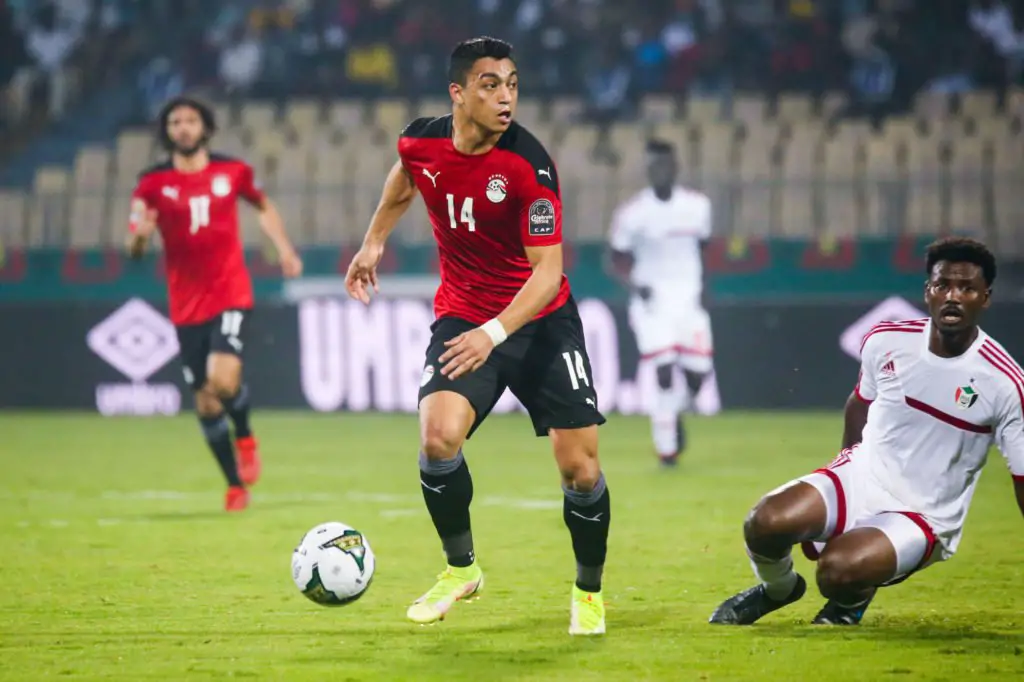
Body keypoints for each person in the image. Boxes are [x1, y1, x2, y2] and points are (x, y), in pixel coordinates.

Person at [344, 37, 610, 635]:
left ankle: (588, 592)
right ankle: (460, 569)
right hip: (464, 317)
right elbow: (406, 177)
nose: (506, 97)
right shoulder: (420, 141)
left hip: (540, 324)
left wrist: (495, 333)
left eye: (513, 84)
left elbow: (547, 274)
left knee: (580, 470)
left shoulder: (529, 167)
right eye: (491, 85)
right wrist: (374, 241)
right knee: (437, 439)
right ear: (458, 94)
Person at [709, 237, 1024, 626]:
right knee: (765, 521)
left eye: (967, 288)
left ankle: (849, 601)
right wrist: (843, 469)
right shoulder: (887, 340)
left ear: (985, 297)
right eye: (943, 285)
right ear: (928, 290)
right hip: (861, 475)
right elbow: (859, 404)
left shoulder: (1004, 384)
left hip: (922, 513)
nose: (953, 297)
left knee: (837, 570)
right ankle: (778, 589)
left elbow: (1021, 479)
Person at [126, 96, 303, 512]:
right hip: (186, 305)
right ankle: (234, 485)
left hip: (229, 293)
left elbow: (263, 206)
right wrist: (140, 237)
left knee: (223, 380)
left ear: (205, 128)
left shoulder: (233, 171)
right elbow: (133, 245)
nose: (183, 128)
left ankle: (245, 435)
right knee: (205, 401)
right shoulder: (150, 184)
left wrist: (284, 249)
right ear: (167, 131)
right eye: (175, 122)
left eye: (191, 120)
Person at [608, 139, 713, 466]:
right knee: (664, 370)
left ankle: (673, 412)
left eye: (665, 164)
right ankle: (666, 447)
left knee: (698, 375)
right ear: (648, 171)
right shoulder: (633, 213)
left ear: (675, 167)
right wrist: (635, 286)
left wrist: (703, 288)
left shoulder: (698, 206)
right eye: (654, 166)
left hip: (689, 302)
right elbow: (614, 259)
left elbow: (703, 250)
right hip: (652, 304)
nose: (660, 171)